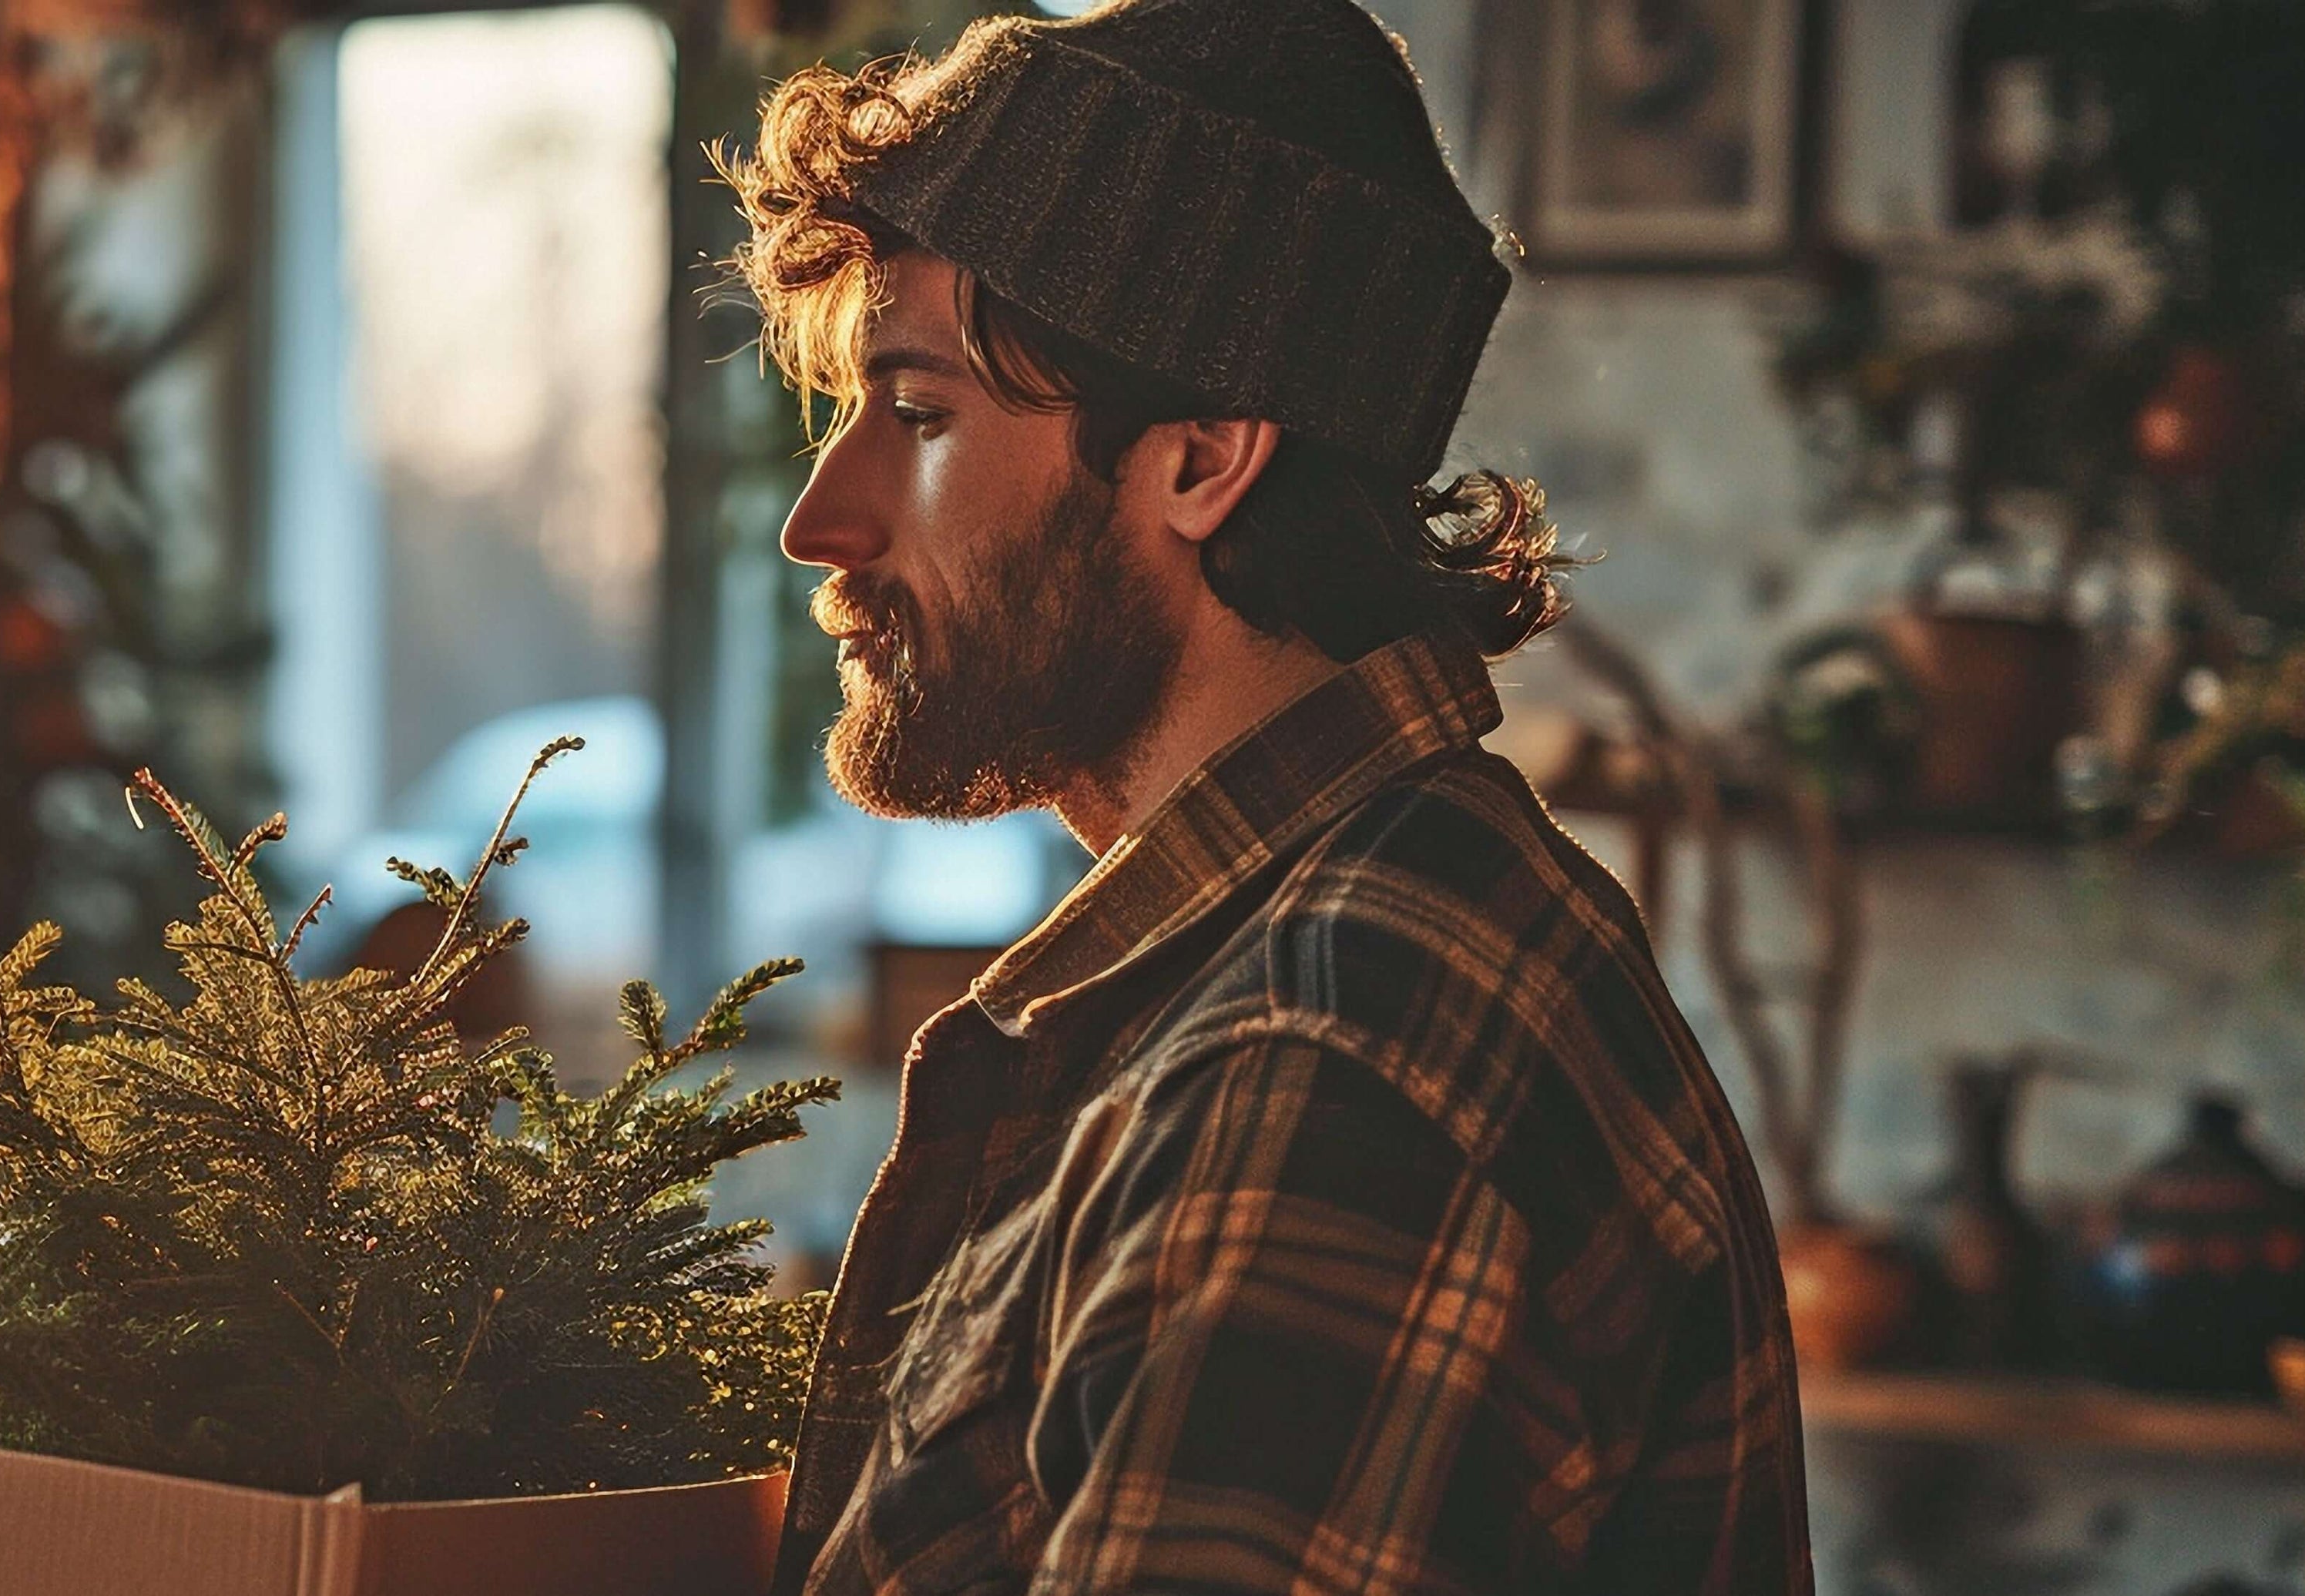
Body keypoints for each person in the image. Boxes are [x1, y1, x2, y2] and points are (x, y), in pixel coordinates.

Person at [725, 0, 1810, 1589]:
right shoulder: (1353, 939)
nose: (821, 524)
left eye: (919, 414)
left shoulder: (1319, 1065)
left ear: (1204, 456)